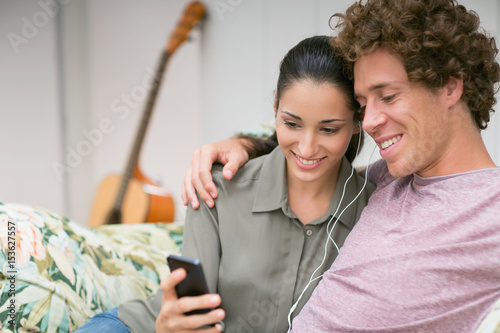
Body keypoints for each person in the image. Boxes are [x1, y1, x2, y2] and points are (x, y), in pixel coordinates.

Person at [182, 0, 500, 332]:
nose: (371, 121)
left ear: (449, 86)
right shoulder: (386, 179)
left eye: (388, 96)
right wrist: (246, 145)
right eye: (362, 105)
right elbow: (313, 160)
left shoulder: (491, 208)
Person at [75, 36, 375, 332]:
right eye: (292, 124)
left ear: (357, 119)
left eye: (329, 129)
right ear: (275, 106)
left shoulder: (375, 215)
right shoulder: (216, 185)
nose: (307, 148)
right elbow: (189, 311)